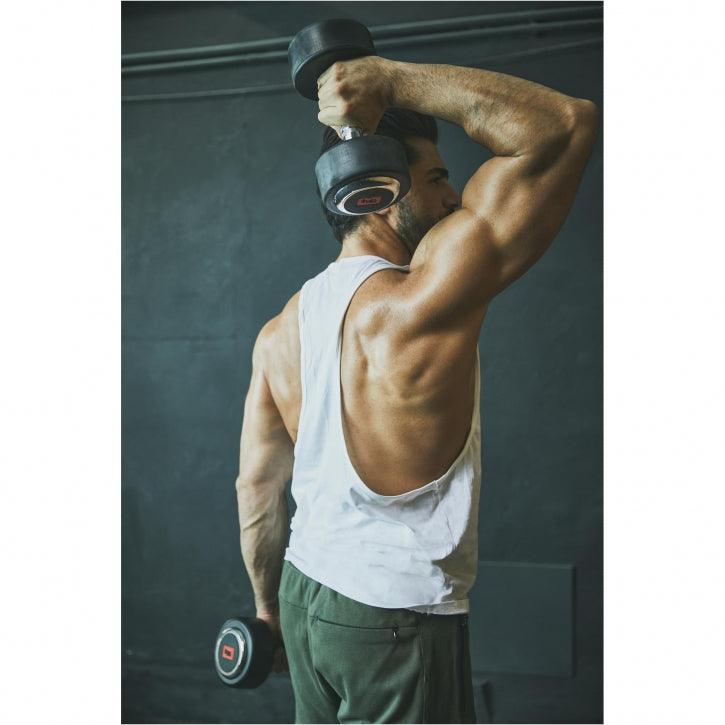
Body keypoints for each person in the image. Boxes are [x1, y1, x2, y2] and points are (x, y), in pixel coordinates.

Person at [234, 53, 598, 723]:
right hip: (391, 617)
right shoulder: (418, 303)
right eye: (435, 178)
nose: (453, 196)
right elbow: (564, 125)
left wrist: (266, 610)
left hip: (304, 595)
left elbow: (256, 488)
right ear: (376, 189)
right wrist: (390, 79)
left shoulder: (278, 332)